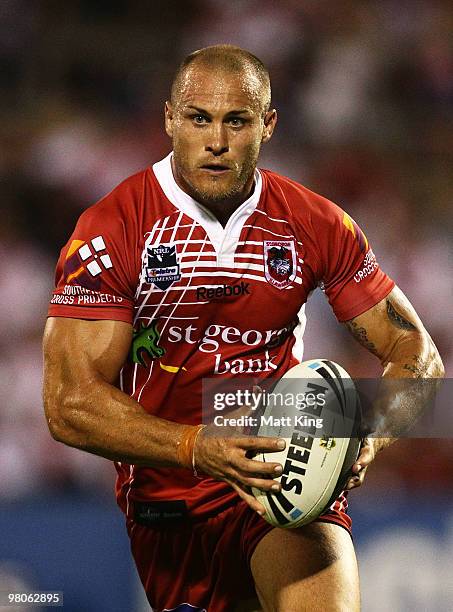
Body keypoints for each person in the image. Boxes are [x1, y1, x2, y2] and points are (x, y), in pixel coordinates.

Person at [43, 45, 444, 612]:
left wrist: (368, 435)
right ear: (168, 119)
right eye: (198, 118)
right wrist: (197, 446)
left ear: (268, 124)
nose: (216, 140)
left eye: (237, 120)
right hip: (170, 498)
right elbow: (68, 405)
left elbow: (418, 355)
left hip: (283, 476)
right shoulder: (113, 228)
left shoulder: (314, 222)